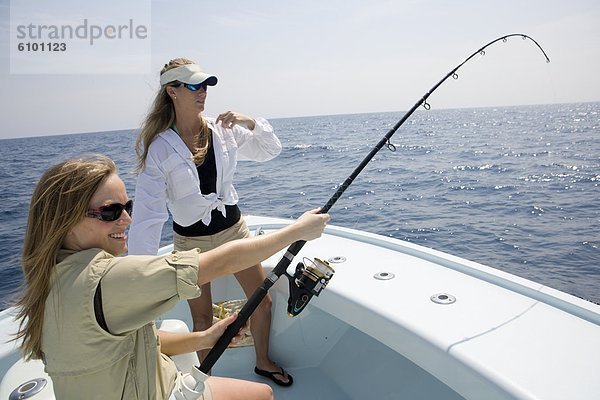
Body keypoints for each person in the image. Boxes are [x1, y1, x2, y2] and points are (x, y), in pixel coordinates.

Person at [13, 154, 330, 400]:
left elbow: (131, 339)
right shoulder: (106, 279)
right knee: (263, 394)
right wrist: (297, 231)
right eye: (110, 212)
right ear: (65, 220)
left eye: (129, 206)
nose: (126, 219)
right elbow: (222, 262)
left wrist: (203, 339)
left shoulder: (52, 276)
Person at [128, 58, 293, 385]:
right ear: (172, 91)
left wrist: (249, 122)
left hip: (234, 233)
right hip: (191, 245)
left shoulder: (223, 130)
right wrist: (137, 276)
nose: (202, 92)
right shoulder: (158, 150)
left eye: (205, 85)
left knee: (263, 301)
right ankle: (208, 384)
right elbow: (148, 219)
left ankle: (263, 361)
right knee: (201, 317)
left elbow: (270, 149)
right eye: (193, 86)